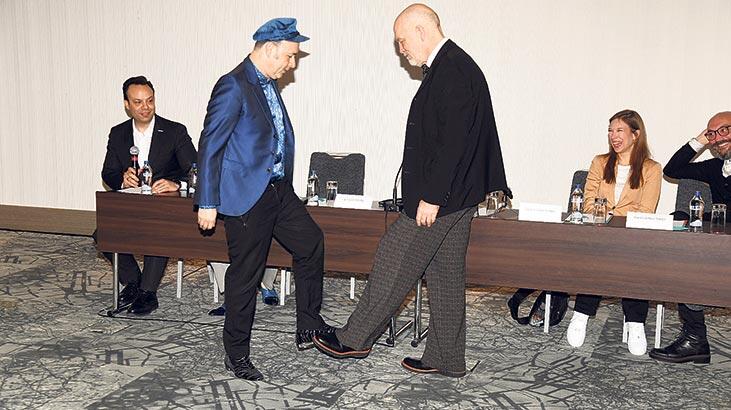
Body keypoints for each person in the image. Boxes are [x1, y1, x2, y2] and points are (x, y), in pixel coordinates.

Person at [312, 4, 510, 378]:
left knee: (394, 255)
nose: (401, 49)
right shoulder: (454, 65)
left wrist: (432, 197)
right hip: (458, 197)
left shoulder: (453, 70)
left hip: (443, 198)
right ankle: (446, 357)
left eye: (402, 41)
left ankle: (354, 338)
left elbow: (453, 144)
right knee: (445, 275)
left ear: (421, 31)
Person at [196, 18, 333, 381]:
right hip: (247, 195)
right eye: (289, 56)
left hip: (277, 190)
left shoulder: (268, 83)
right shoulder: (233, 85)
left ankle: (308, 324)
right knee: (246, 274)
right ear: (270, 49)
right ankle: (236, 354)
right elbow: (210, 144)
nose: (292, 63)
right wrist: (207, 200)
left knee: (310, 242)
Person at [565, 109, 661, 356]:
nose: (613, 136)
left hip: (632, 236)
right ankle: (581, 315)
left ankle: (636, 322)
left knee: (634, 261)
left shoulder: (651, 168)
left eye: (619, 130)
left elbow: (646, 210)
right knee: (598, 255)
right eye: (610, 131)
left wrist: (612, 216)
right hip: (600, 232)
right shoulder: (600, 162)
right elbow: (588, 202)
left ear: (635, 134)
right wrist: (606, 217)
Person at [100, 76, 197, 315]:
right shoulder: (118, 133)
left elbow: (196, 169)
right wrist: (121, 178)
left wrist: (176, 184)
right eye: (138, 102)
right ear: (127, 105)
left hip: (165, 208)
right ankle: (134, 283)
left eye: (150, 101)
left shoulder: (174, 131)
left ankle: (148, 293)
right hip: (132, 205)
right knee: (102, 233)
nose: (145, 107)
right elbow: (108, 173)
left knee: (157, 233)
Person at [649, 111, 731, 364]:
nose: (718, 138)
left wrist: (708, 218)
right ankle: (695, 339)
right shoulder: (715, 167)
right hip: (719, 244)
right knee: (684, 257)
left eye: (725, 130)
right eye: (712, 134)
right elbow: (673, 169)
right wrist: (700, 140)